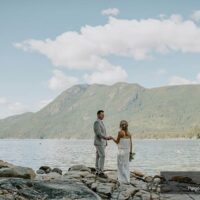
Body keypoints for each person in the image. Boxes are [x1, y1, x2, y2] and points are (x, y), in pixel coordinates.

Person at [111, 120, 132, 184]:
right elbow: (131, 144)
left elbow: (117, 142)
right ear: (127, 125)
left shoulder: (120, 132)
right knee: (126, 165)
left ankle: (122, 180)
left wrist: (112, 138)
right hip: (127, 151)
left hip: (121, 151)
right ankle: (127, 179)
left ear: (120, 125)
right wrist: (131, 152)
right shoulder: (129, 133)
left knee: (120, 165)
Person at [93, 110, 112, 178]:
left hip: (102, 142)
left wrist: (105, 140)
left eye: (103, 115)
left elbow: (102, 132)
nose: (103, 116)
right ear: (98, 115)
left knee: (98, 156)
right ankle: (100, 171)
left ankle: (97, 171)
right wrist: (106, 138)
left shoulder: (101, 122)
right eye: (102, 115)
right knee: (102, 156)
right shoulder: (97, 122)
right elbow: (98, 133)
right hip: (99, 142)